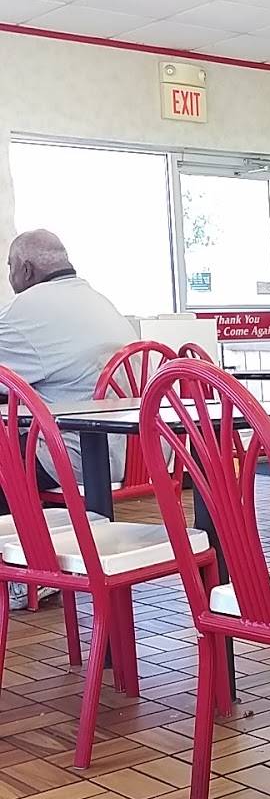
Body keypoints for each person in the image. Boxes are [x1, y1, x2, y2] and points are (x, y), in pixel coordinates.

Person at [0, 231, 135, 605]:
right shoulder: (99, 301)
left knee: (5, 460)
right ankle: (44, 554)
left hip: (72, 456)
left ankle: (27, 570)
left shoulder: (25, 311)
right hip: (133, 455)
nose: (10, 277)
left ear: (26, 270)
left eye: (10, 267)